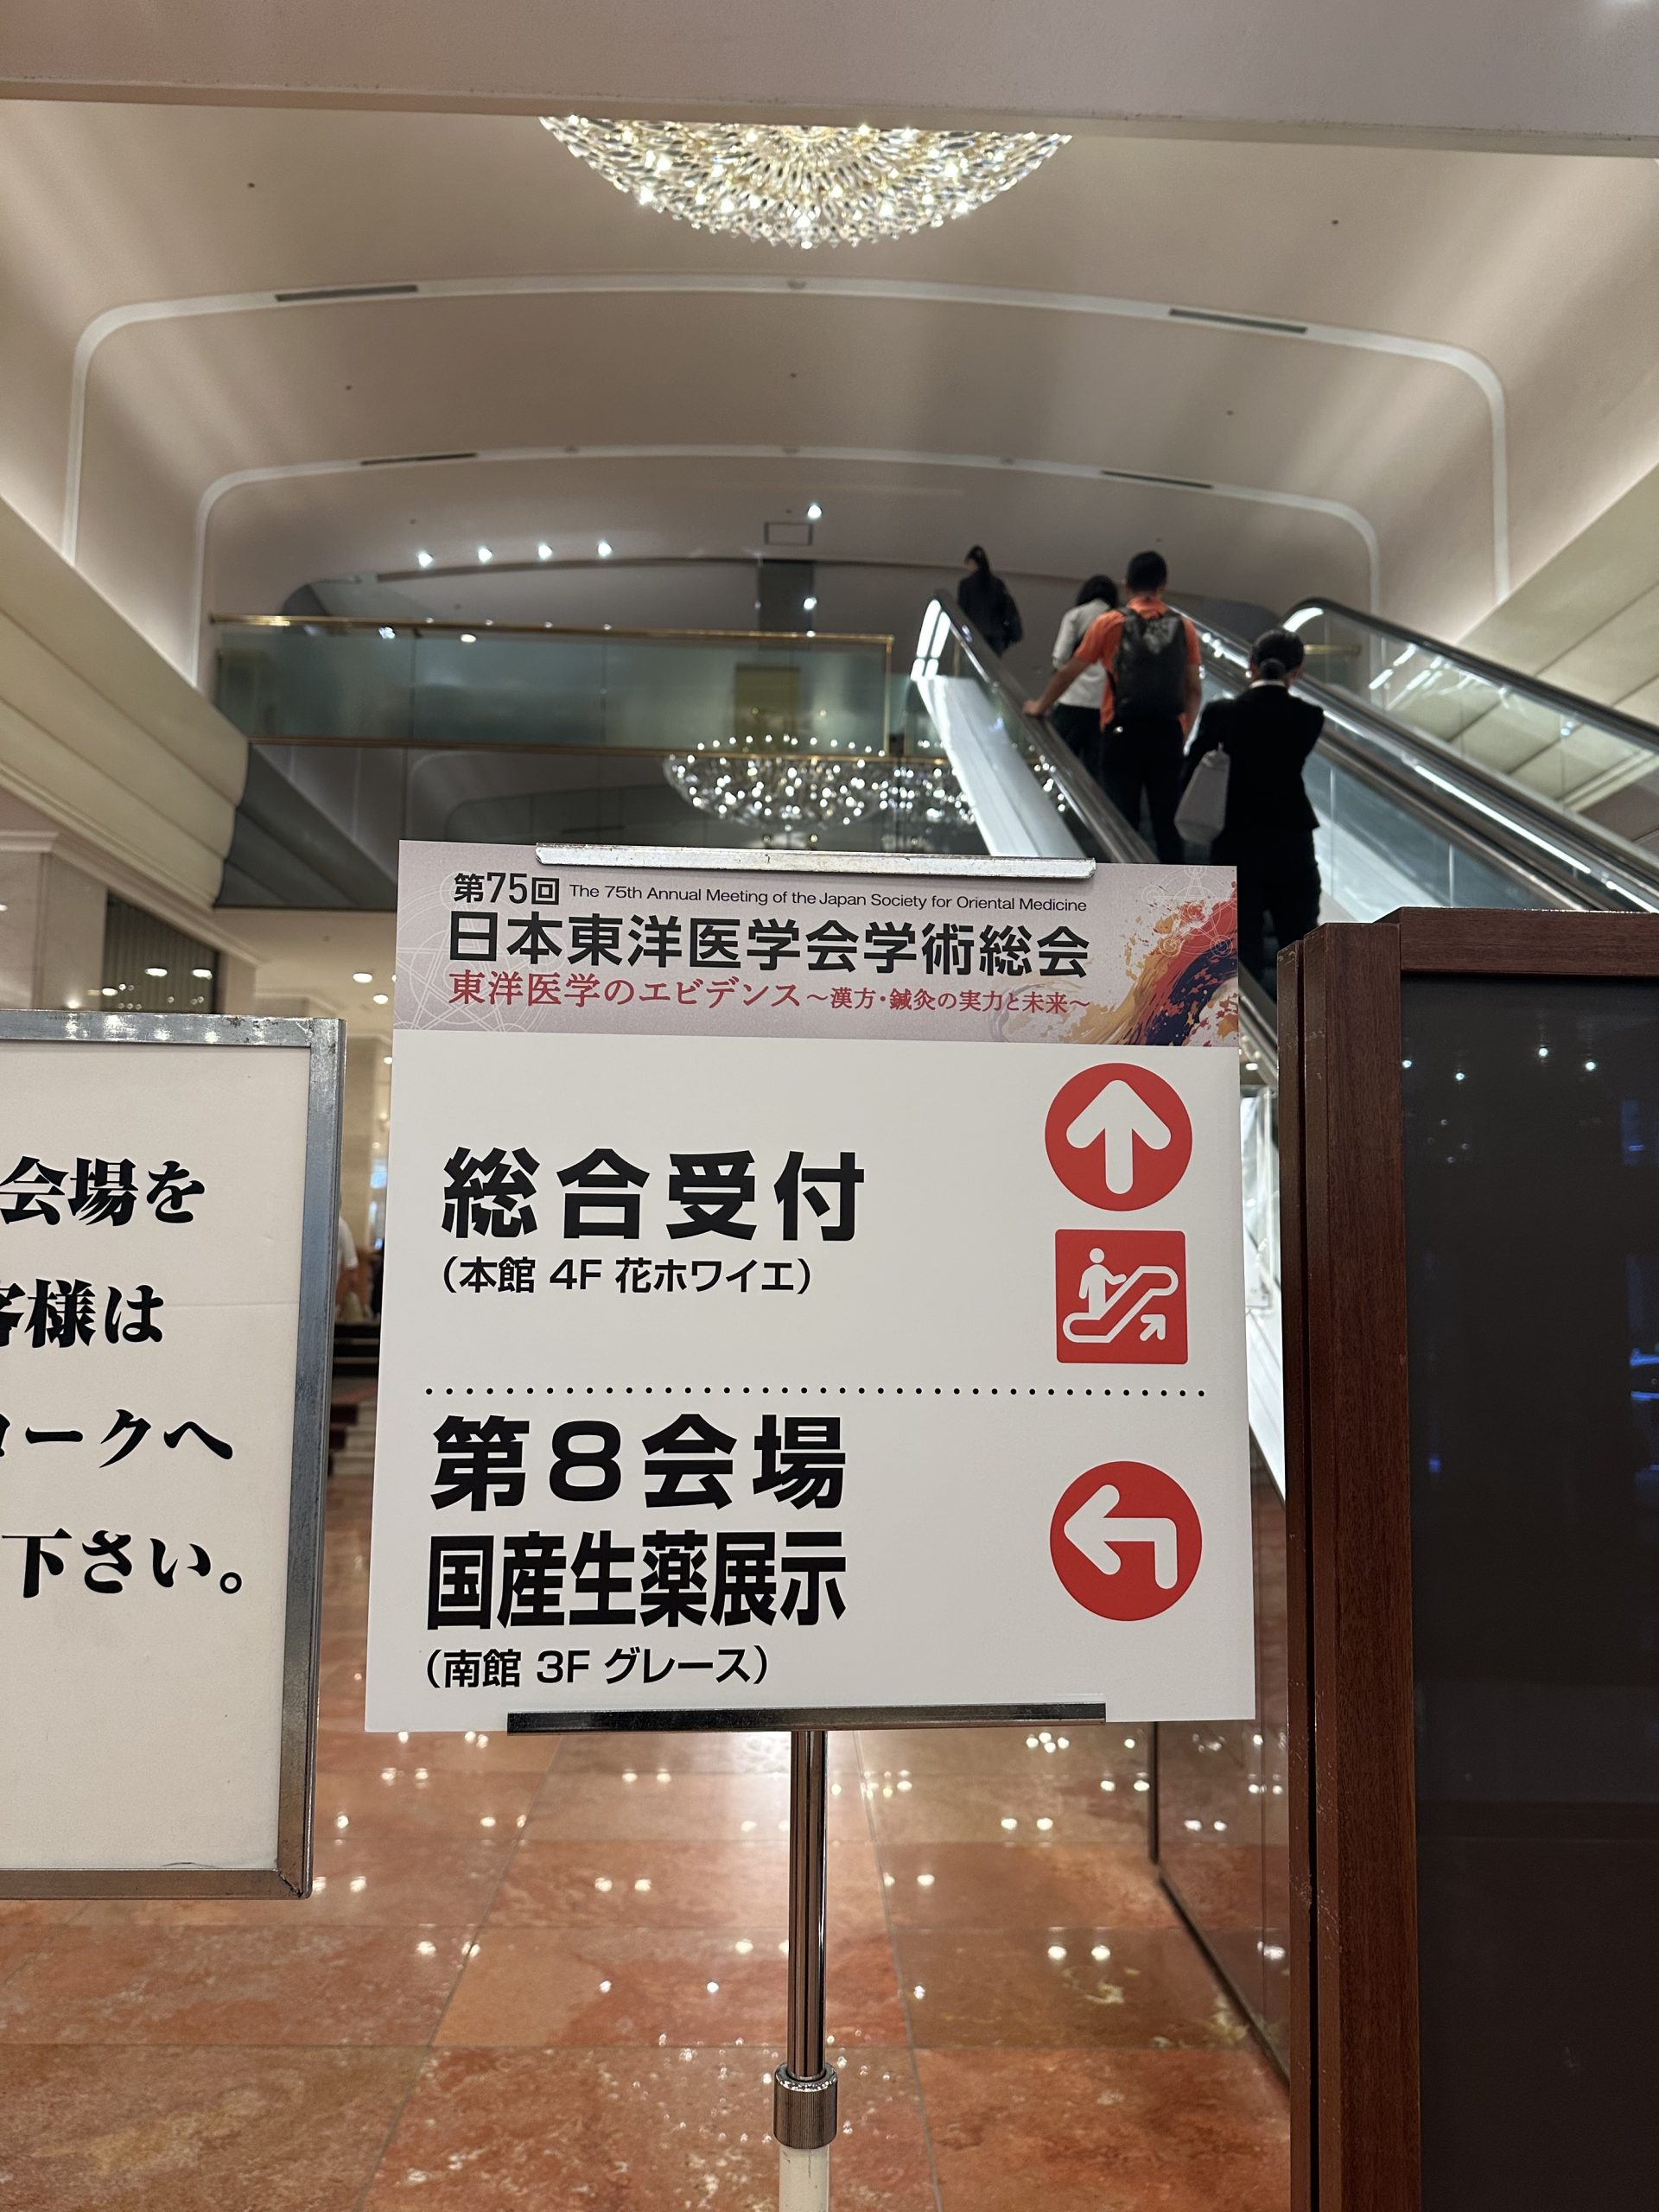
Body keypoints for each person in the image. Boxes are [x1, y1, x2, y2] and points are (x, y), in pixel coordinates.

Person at [1024, 550, 1201, 861]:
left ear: (1126, 585)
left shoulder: (1110, 623)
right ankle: (1176, 889)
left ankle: (1122, 886)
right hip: (1167, 734)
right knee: (1166, 822)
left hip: (1122, 733)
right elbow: (1194, 689)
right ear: (1164, 584)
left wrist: (1041, 706)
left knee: (1121, 820)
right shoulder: (1184, 627)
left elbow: (1068, 672)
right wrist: (1182, 733)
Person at [1183, 626, 1324, 988]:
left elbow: (1191, 769)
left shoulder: (1221, 713)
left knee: (1240, 939)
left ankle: (1247, 1013)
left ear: (1251, 664)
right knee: (1299, 937)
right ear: (1297, 671)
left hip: (1236, 838)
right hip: (1291, 838)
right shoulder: (1310, 716)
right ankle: (1304, 1011)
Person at [1046, 575, 1118, 775]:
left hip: (1071, 701)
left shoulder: (1074, 615)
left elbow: (1059, 659)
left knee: (1058, 764)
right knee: (1095, 772)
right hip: (1103, 707)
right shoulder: (1120, 621)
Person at [957, 546, 1024, 657]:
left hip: (974, 635)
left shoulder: (966, 585)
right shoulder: (998, 584)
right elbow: (1006, 609)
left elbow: (961, 612)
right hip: (996, 638)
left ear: (972, 563)